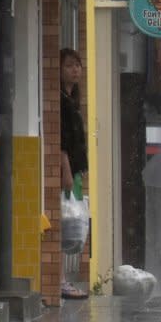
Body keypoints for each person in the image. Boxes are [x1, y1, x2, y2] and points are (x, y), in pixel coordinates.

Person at [60, 48, 89, 300]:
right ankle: (59, 280)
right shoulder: (61, 102)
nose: (75, 69)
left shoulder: (72, 100)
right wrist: (67, 171)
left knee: (71, 223)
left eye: (78, 65)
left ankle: (63, 279)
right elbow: (62, 142)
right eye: (69, 65)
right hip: (66, 173)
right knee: (63, 223)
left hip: (75, 172)